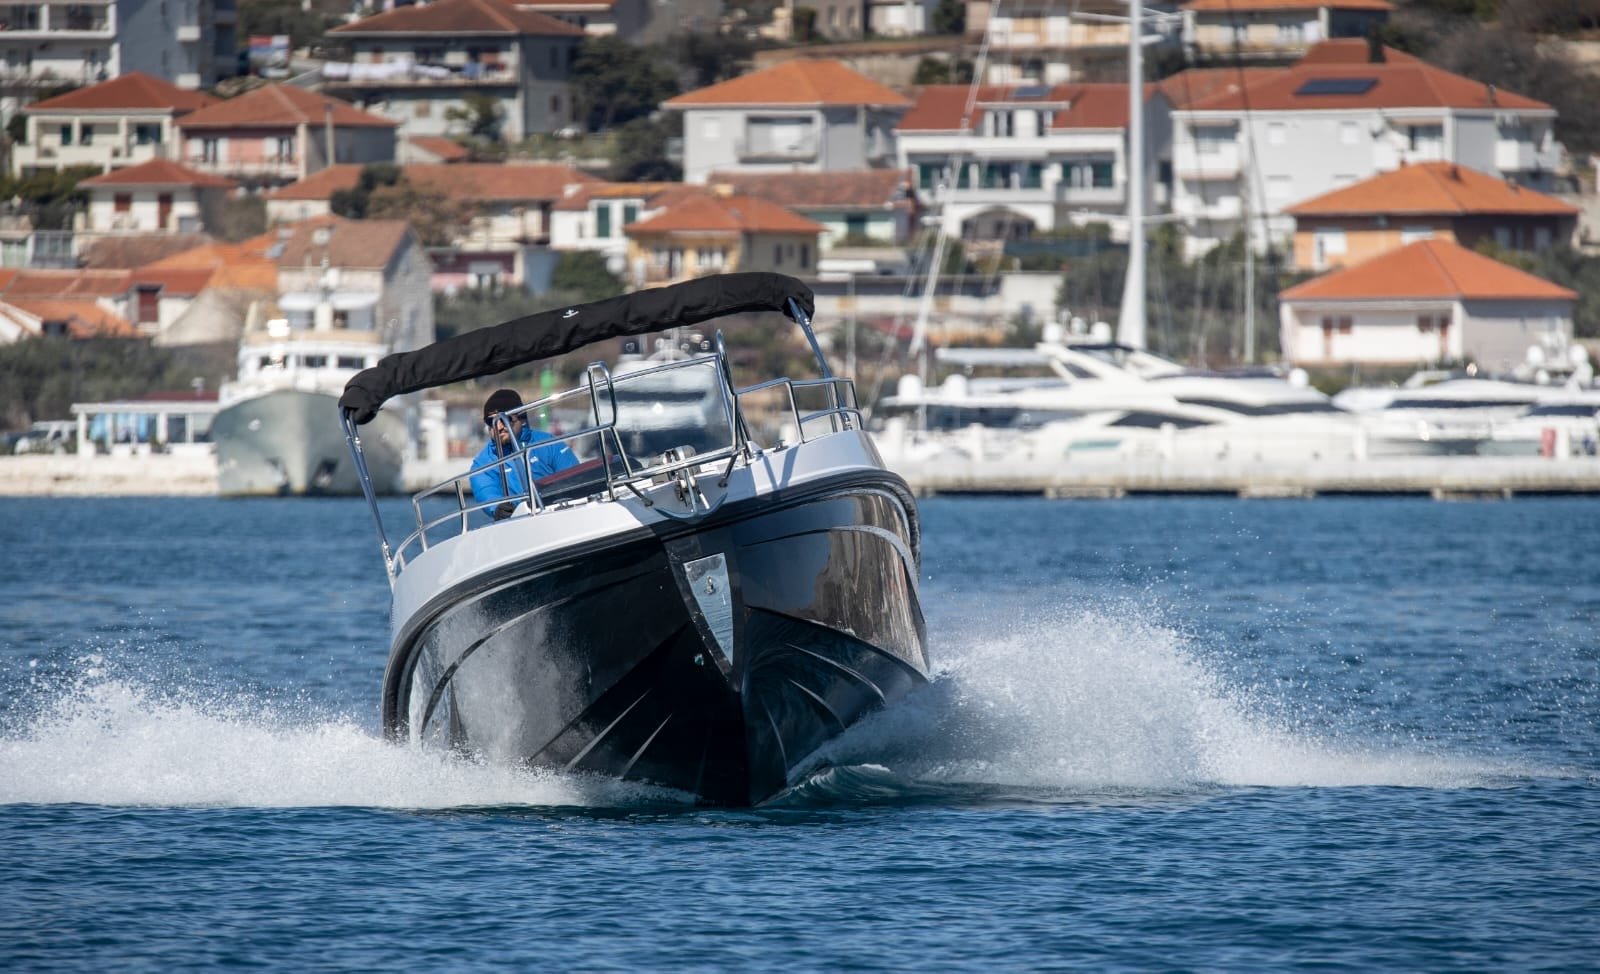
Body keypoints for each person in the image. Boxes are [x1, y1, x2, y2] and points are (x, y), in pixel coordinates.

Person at [469, 388, 579, 520]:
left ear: (521, 419)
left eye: (505, 419)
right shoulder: (482, 464)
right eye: (491, 421)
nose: (498, 427)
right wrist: (498, 508)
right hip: (519, 523)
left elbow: (574, 479)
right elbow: (487, 491)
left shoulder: (550, 444)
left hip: (560, 514)